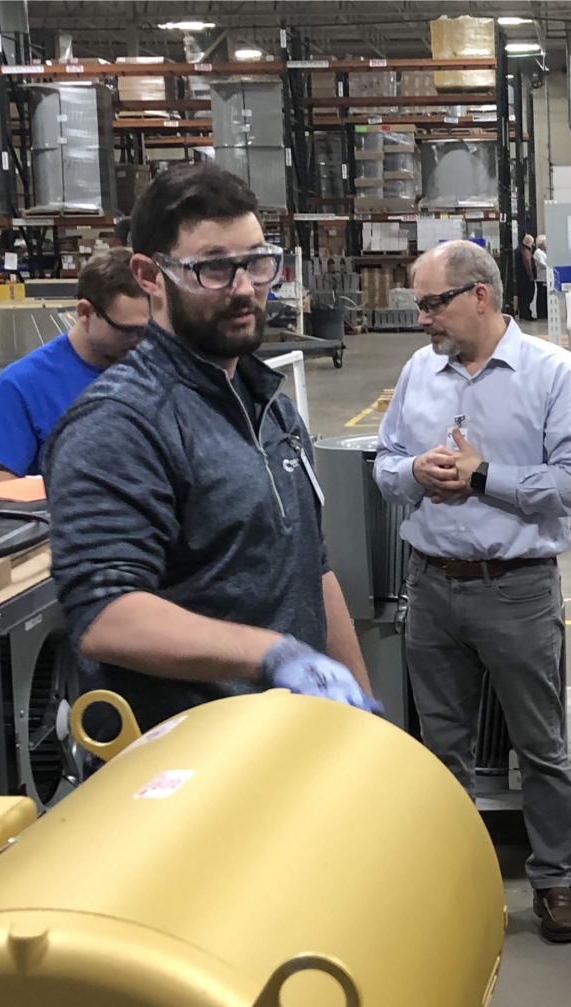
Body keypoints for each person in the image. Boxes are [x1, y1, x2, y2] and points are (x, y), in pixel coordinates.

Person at [44, 164, 375, 731]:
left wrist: (369, 727)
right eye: (214, 268)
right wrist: (272, 654)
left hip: (290, 740)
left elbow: (312, 570)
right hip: (193, 759)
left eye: (256, 263)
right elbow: (107, 616)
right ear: (149, 276)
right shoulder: (121, 422)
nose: (245, 288)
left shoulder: (270, 404)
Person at [374, 240, 571, 944]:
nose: (422, 320)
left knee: (539, 746)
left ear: (479, 295)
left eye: (431, 303)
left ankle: (553, 880)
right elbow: (383, 465)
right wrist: (416, 469)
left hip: (517, 589)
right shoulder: (419, 371)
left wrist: (480, 477)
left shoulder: (551, 374)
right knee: (441, 747)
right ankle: (454, 879)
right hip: (432, 586)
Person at [0, 248, 150, 480]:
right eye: (128, 331)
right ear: (85, 313)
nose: (141, 343)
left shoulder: (159, 371)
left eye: (150, 331)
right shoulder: (21, 386)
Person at [516, 233, 536, 321]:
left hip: (518, 278)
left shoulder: (517, 250)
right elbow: (528, 264)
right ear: (529, 242)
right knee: (527, 296)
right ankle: (526, 314)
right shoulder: (526, 251)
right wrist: (531, 276)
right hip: (526, 279)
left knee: (522, 297)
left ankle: (523, 313)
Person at [533, 234, 550, 319]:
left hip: (545, 278)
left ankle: (544, 312)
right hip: (541, 278)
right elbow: (542, 264)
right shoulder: (538, 253)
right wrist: (549, 267)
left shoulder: (543, 253)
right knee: (541, 296)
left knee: (544, 296)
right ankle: (541, 313)